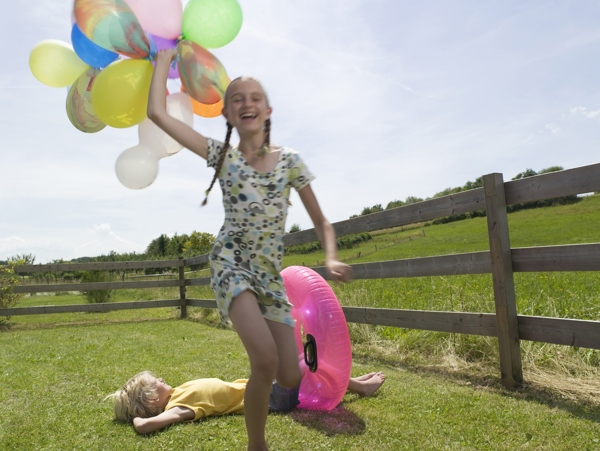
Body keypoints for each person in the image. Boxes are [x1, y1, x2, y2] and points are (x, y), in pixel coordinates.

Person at [147, 48, 353, 450]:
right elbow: (158, 114)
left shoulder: (290, 160)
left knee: (288, 377)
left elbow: (322, 221)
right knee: (264, 361)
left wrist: (331, 255)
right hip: (231, 265)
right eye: (237, 99)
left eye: (255, 97)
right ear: (227, 114)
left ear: (268, 110)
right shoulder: (222, 156)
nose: (246, 103)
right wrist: (162, 61)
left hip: (269, 276)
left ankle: (293, 361)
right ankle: (257, 446)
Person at [108, 370, 386, 435]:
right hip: (269, 398)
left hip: (264, 388)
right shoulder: (178, 407)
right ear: (153, 399)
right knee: (305, 367)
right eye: (154, 381)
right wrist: (139, 419)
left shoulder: (179, 390)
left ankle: (353, 380)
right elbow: (146, 425)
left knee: (308, 370)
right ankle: (361, 387)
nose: (159, 378)